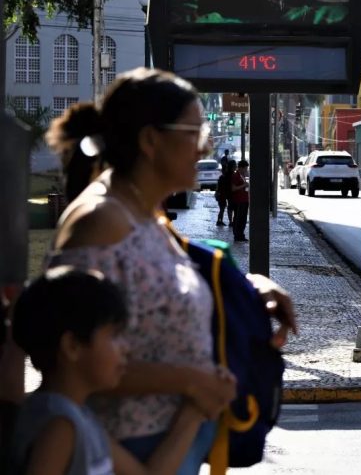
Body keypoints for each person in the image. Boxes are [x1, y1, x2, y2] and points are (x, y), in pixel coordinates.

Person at [43, 68, 296, 475]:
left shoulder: (147, 215)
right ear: (150, 140)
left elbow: (154, 293)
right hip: (124, 452)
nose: (204, 147)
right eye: (194, 133)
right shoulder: (99, 222)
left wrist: (249, 288)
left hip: (171, 445)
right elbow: (66, 359)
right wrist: (191, 381)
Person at [10, 267, 234, 475]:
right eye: (114, 335)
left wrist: (193, 413)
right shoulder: (60, 425)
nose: (126, 348)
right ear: (72, 347)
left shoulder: (78, 417)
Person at [231, 160, 251, 243]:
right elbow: (233, 188)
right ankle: (237, 235)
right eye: (245, 168)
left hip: (244, 199)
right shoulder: (236, 176)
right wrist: (244, 185)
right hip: (239, 200)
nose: (246, 170)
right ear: (241, 168)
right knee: (238, 218)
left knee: (243, 219)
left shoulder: (242, 176)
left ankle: (241, 235)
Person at [214, 160, 236, 228]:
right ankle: (230, 222)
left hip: (223, 194)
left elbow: (219, 186)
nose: (236, 167)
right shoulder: (233, 175)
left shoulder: (224, 176)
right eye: (235, 165)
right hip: (229, 194)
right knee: (229, 208)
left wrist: (217, 192)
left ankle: (220, 221)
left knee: (223, 208)